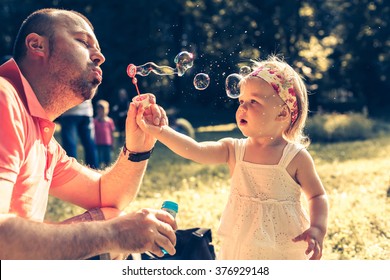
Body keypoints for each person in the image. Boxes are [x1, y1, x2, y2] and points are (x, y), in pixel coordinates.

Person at [0, 8, 176, 259]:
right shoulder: (3, 98)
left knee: (111, 216)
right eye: (83, 42)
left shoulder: (40, 133)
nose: (100, 56)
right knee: (111, 229)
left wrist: (138, 148)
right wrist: (113, 234)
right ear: (37, 45)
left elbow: (106, 195)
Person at [136, 55, 329, 260]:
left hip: (283, 246)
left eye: (253, 101)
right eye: (241, 101)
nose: (242, 107)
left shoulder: (295, 157)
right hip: (241, 244)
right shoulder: (234, 150)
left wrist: (317, 228)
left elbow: (317, 196)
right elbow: (195, 149)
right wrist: (160, 131)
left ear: (282, 114)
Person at [58, 100, 99, 169]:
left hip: (70, 112)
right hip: (86, 112)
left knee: (70, 145)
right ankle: (94, 171)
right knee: (89, 145)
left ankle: (71, 170)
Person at [94, 99, 116, 168]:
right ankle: (99, 169)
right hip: (98, 144)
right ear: (97, 110)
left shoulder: (110, 121)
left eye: (103, 109)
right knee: (99, 159)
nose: (101, 112)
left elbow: (112, 133)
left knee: (107, 159)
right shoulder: (94, 121)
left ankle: (107, 170)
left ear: (107, 110)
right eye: (99, 109)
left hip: (107, 144)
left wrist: (113, 143)